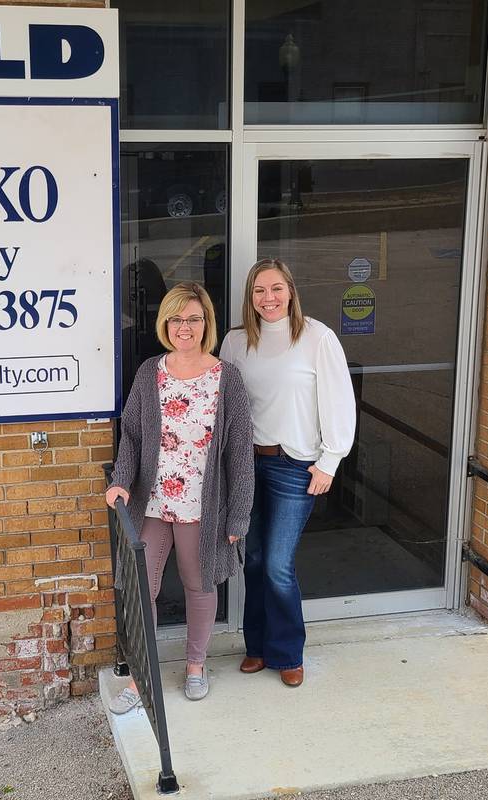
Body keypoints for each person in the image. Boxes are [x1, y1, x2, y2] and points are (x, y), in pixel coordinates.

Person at [106, 281, 254, 712]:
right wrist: (120, 479)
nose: (183, 327)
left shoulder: (226, 379)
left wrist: (238, 516)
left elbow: (240, 453)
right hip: (151, 504)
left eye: (193, 318)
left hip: (200, 508)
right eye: (175, 318)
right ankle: (142, 676)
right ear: (164, 322)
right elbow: (131, 436)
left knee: (198, 585)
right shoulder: (150, 371)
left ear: (206, 322)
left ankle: (195, 665)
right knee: (139, 588)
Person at [220, 258, 355, 687]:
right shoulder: (236, 342)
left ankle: (288, 652)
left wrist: (330, 461)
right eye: (260, 291)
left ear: (291, 291)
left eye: (276, 289)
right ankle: (257, 647)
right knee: (254, 559)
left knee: (278, 562)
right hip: (247, 464)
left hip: (296, 465)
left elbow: (339, 402)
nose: (269, 298)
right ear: (250, 297)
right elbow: (223, 407)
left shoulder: (317, 338)